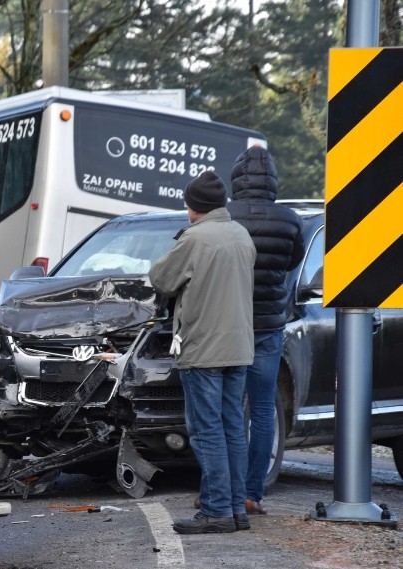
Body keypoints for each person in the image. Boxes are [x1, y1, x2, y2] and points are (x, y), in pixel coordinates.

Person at [148, 171, 256, 534]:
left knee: (207, 431)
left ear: (195, 206)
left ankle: (215, 511)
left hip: (204, 349)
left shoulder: (195, 239)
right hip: (239, 348)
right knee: (232, 429)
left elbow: (161, 279)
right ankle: (236, 510)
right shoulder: (241, 235)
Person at [226, 145, 305, 515]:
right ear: (273, 180)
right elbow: (294, 261)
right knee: (261, 411)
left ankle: (225, 490)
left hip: (230, 325)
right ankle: (252, 494)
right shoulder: (289, 220)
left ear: (237, 178)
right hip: (270, 326)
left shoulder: (224, 217)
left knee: (227, 410)